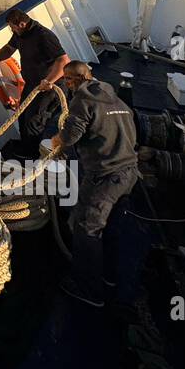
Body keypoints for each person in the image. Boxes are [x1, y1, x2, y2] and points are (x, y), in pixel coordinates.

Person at [47, 62, 140, 307]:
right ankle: (109, 276)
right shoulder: (114, 98)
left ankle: (89, 290)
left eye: (66, 81)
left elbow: (70, 136)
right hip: (129, 173)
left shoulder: (82, 100)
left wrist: (55, 141)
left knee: (85, 227)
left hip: (105, 176)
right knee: (111, 227)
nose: (65, 85)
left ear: (72, 80)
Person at [0, 8, 69, 153]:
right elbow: (9, 48)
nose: (12, 31)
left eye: (13, 27)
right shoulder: (19, 35)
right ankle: (26, 147)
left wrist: (49, 81)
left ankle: (33, 153)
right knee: (22, 115)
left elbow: (63, 61)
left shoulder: (44, 36)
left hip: (49, 86)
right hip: (32, 83)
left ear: (22, 24)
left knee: (34, 120)